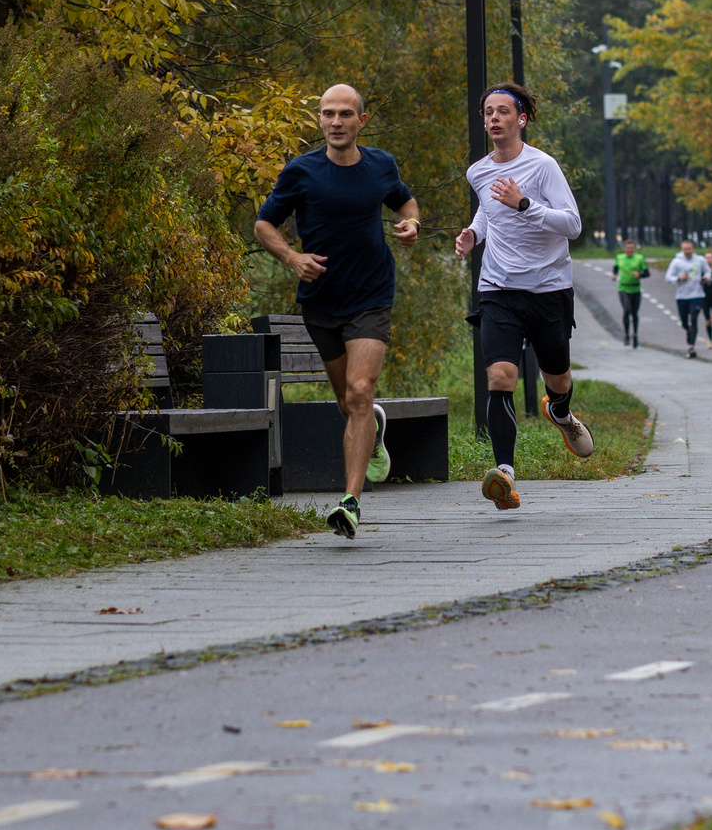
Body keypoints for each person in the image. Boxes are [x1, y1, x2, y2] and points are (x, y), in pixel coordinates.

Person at [254, 84, 421, 540]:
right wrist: (292, 258)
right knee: (348, 402)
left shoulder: (380, 165)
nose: (336, 122)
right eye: (328, 114)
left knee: (361, 390)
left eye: (346, 114)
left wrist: (412, 224)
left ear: (361, 120)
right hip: (322, 300)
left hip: (371, 294)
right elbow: (263, 223)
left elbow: (403, 201)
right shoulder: (300, 172)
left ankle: (350, 502)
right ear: (320, 120)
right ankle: (374, 427)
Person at [453, 83, 593, 511]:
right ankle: (505, 475)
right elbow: (488, 208)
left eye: (502, 112)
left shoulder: (543, 166)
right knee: (500, 378)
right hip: (498, 290)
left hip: (548, 290)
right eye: (488, 112)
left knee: (558, 380)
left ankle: (562, 414)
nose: (494, 118)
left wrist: (525, 204)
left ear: (521, 119)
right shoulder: (478, 172)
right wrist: (474, 233)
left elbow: (572, 225)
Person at [665, 241, 709, 358]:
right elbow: (668, 277)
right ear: (682, 249)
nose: (687, 252)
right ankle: (688, 329)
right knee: (685, 322)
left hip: (697, 295)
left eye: (689, 249)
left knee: (694, 318)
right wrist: (679, 278)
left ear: (693, 248)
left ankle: (691, 346)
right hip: (682, 296)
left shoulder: (700, 260)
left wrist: (705, 277)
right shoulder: (677, 261)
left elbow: (708, 271)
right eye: (685, 249)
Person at [611, 238, 649, 347]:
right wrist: (614, 275)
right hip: (623, 288)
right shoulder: (620, 257)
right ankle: (626, 335)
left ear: (634, 249)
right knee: (627, 310)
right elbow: (615, 268)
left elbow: (647, 273)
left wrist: (640, 275)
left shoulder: (639, 258)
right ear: (624, 249)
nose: (629, 250)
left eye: (631, 248)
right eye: (628, 248)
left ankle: (635, 334)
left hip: (635, 289)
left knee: (634, 313)